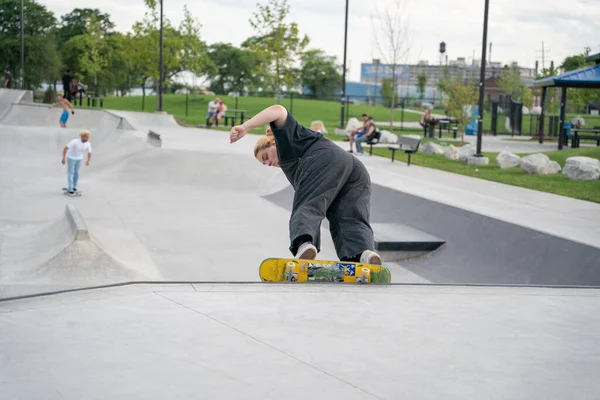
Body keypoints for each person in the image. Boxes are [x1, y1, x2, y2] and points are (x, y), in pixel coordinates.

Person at [229, 105, 382, 265]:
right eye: (264, 163)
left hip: (324, 159)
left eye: (266, 156)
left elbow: (278, 110)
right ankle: (364, 254)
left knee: (307, 203)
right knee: (349, 215)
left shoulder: (285, 138)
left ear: (273, 142)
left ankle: (304, 245)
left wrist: (245, 126)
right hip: (354, 169)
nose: (269, 163)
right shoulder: (293, 158)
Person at [61, 130, 92, 195]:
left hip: (79, 159)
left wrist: (88, 160)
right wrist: (63, 158)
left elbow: (89, 152)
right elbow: (66, 148)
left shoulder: (88, 143)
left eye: (88, 137)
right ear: (82, 137)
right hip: (71, 158)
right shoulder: (75, 141)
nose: (87, 139)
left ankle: (74, 187)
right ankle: (70, 188)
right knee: (71, 173)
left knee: (77, 173)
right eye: (86, 137)